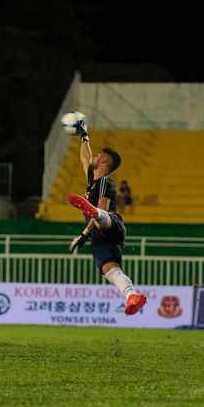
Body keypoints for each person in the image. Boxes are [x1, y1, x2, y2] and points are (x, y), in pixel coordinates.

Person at [66, 116, 147, 315]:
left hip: (110, 226)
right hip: (101, 238)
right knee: (110, 270)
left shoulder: (105, 182)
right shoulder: (93, 179)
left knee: (102, 215)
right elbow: (85, 158)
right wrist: (84, 135)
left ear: (103, 160)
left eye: (97, 156)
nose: (92, 158)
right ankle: (132, 296)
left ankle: (95, 213)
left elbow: (103, 205)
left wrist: (83, 234)